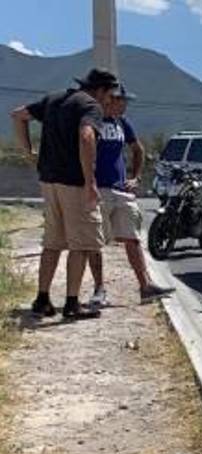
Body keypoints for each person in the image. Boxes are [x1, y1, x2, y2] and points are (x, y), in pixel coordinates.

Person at [10, 68, 118, 320]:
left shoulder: (54, 98)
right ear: (100, 90)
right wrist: (90, 180)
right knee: (80, 244)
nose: (109, 100)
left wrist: (28, 151)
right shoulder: (91, 106)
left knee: (52, 243)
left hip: (48, 181)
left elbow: (18, 116)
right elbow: (86, 135)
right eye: (109, 94)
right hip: (74, 184)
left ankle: (42, 299)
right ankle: (72, 303)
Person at [86, 84, 172, 307]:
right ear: (108, 100)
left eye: (125, 101)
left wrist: (135, 177)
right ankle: (99, 289)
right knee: (95, 242)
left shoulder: (122, 124)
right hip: (99, 189)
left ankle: (145, 286)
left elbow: (138, 149)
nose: (124, 105)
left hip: (121, 190)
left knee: (132, 238)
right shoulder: (92, 122)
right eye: (121, 100)